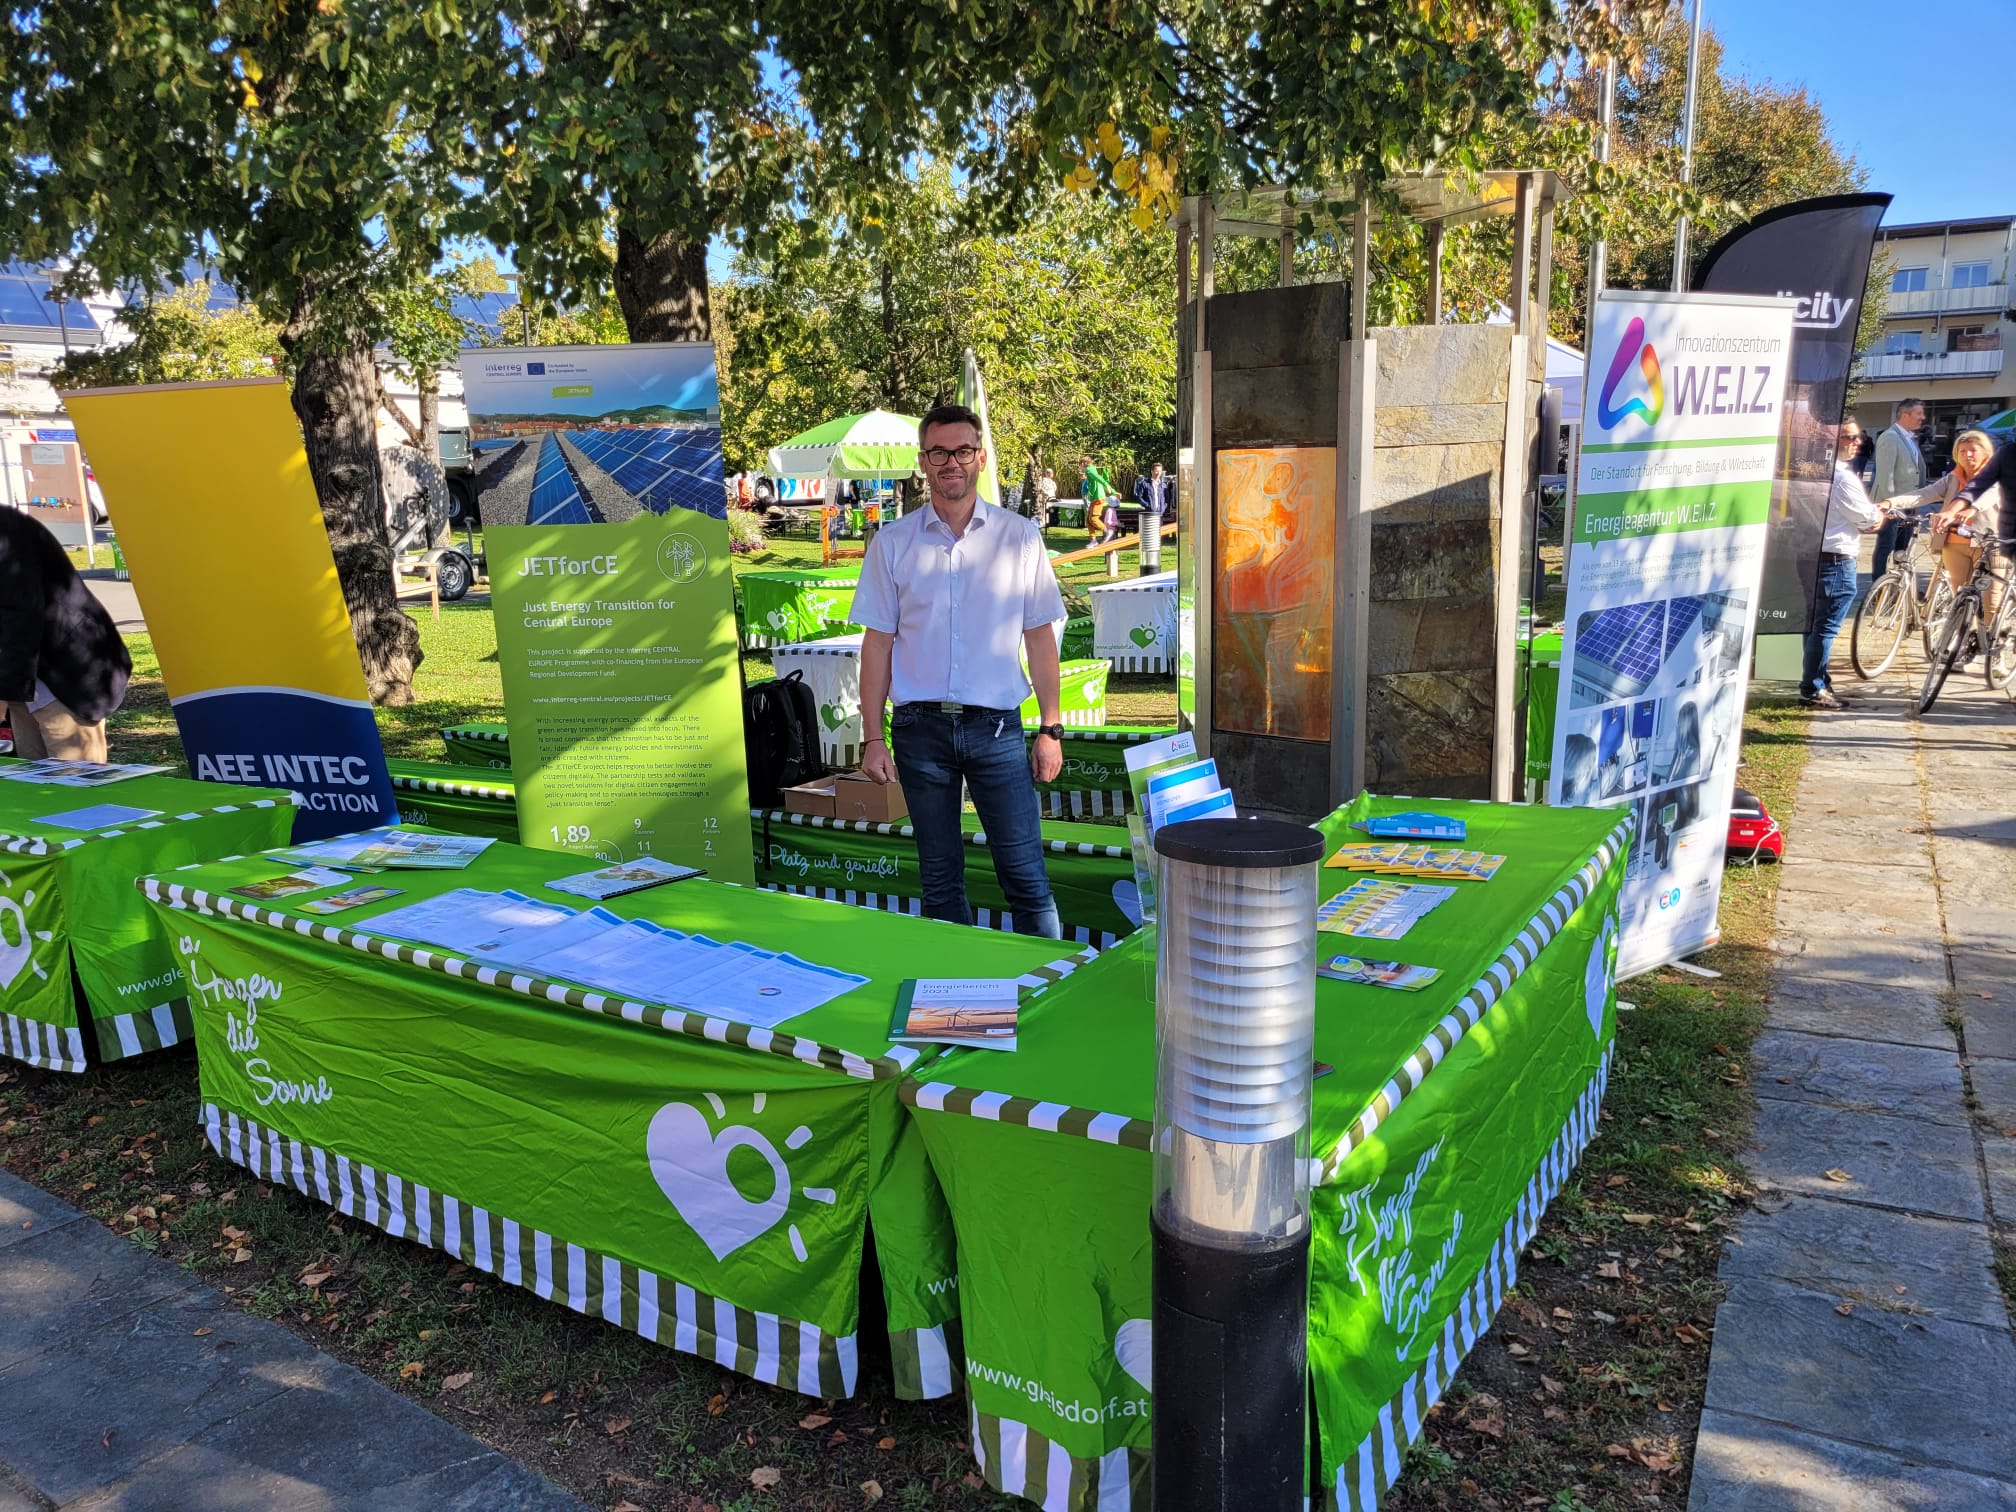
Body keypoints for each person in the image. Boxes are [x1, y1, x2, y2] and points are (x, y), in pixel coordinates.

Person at [854, 404, 1066, 939]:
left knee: (1025, 876)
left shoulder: (1018, 537)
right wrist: (872, 738)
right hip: (918, 732)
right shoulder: (892, 543)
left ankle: (1047, 987)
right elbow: (876, 645)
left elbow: (1039, 636)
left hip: (996, 729)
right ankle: (957, 1007)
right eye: (940, 452)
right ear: (923, 461)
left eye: (963, 451)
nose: (952, 462)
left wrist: (1050, 728)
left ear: (980, 457)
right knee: (940, 881)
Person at [0, 505, 131, 760]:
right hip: (22, 687)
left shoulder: (6, 532)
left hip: (65, 682)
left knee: (76, 787)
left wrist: (2, 695)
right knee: (35, 788)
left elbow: (21, 617)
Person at [1801, 417, 1884, 710]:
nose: (1857, 442)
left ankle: (1817, 681)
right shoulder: (1842, 477)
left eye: (1858, 437)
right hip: (1834, 560)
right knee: (1824, 628)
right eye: (1850, 437)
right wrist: (1880, 515)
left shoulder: (1808, 471)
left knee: (1813, 626)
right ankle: (1813, 688)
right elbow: (1866, 518)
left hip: (1808, 556)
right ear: (1831, 442)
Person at [1870, 398, 1927, 580]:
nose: (1923, 417)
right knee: (1886, 546)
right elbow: (1885, 475)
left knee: (1902, 547)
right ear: (1905, 415)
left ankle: (1898, 585)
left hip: (1908, 503)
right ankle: (1879, 587)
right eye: (1919, 413)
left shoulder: (1908, 437)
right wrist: (1890, 506)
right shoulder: (1890, 437)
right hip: (1893, 504)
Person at [1081, 455, 1117, 543]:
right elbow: (1102, 479)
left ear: (1082, 464)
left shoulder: (1089, 470)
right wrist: (1113, 491)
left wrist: (1108, 488)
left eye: (1080, 466)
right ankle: (1093, 539)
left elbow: (1100, 479)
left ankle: (1107, 531)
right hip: (1095, 498)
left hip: (1098, 498)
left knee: (1093, 519)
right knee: (1088, 520)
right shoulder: (1092, 469)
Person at [1134, 461, 1173, 536]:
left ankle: (1157, 547)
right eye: (1156, 471)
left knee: (1158, 535)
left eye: (1160, 471)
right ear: (1152, 471)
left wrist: (1164, 507)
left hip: (1160, 514)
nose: (1158, 473)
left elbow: (1167, 498)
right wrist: (1148, 505)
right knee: (1150, 535)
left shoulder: (1163, 485)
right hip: (1149, 513)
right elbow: (1139, 497)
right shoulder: (1144, 483)